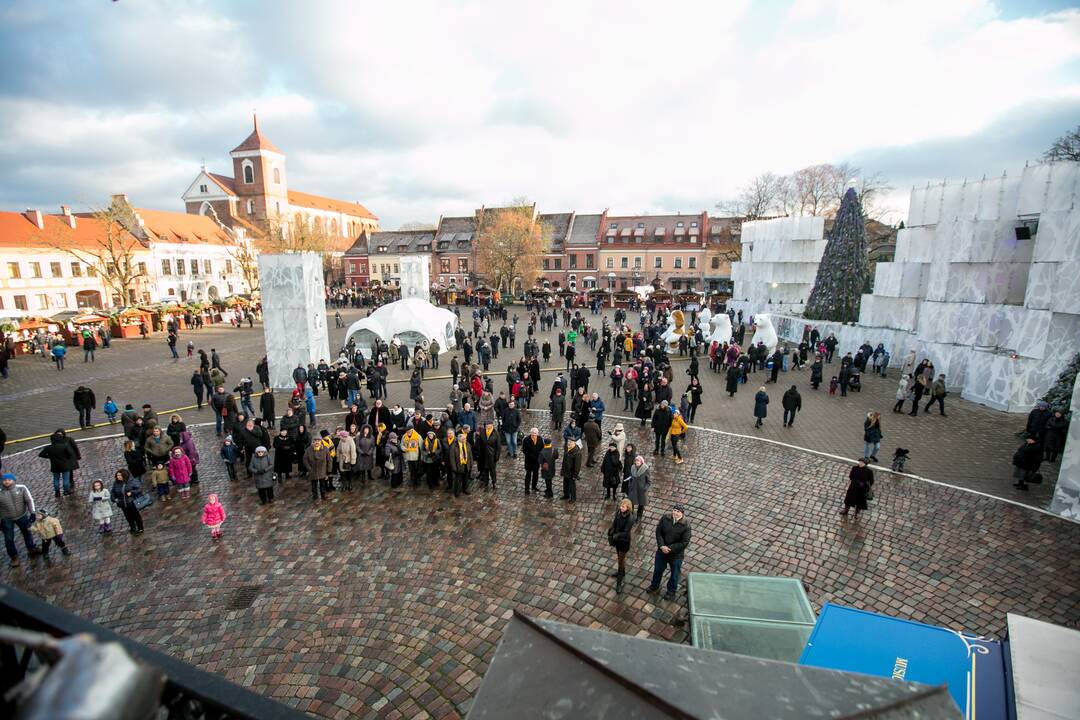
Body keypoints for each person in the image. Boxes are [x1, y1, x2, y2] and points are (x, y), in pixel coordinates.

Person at [647, 505, 691, 602]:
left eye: (678, 511)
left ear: (682, 513)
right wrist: (661, 545)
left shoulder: (686, 525)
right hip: (662, 551)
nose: (675, 513)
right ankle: (654, 586)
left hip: (676, 555)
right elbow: (658, 531)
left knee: (674, 574)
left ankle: (671, 591)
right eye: (674, 510)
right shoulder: (665, 518)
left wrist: (670, 548)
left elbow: (684, 542)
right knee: (658, 570)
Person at [1, 473, 40, 566]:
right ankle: (14, 557)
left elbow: (29, 500)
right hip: (6, 519)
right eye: (5, 480)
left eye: (9, 479)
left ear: (14, 480)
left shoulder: (21, 488)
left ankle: (31, 548)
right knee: (8, 538)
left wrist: (32, 513)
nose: (7, 481)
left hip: (22, 516)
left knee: (27, 532)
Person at [607, 499, 636, 593]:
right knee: (619, 556)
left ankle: (619, 581)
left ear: (628, 507)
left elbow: (626, 532)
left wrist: (616, 535)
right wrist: (612, 529)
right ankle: (622, 572)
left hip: (624, 542)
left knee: (621, 560)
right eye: (621, 506)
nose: (621, 508)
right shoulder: (619, 512)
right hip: (617, 541)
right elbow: (615, 521)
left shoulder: (630, 518)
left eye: (623, 506)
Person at [39, 430, 77, 497]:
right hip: (65, 465)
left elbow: (41, 454)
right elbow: (70, 454)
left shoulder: (48, 448)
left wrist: (49, 457)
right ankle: (66, 491)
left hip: (54, 466)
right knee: (66, 479)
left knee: (56, 479)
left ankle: (57, 492)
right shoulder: (64, 446)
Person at [111, 469, 144, 534]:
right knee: (128, 517)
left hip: (132, 502)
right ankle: (133, 527)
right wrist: (114, 499)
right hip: (122, 503)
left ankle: (140, 528)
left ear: (124, 475)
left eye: (120, 475)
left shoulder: (132, 481)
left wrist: (132, 492)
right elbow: (113, 492)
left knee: (136, 516)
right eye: (117, 475)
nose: (118, 477)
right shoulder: (116, 483)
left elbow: (139, 489)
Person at [626, 455, 650, 520]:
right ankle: (631, 515)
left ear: (641, 461)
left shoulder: (645, 469)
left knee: (641, 504)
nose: (637, 462)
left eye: (638, 460)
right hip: (633, 488)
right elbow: (630, 477)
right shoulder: (632, 467)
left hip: (641, 490)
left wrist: (644, 488)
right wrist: (630, 485)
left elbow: (648, 481)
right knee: (631, 502)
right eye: (636, 460)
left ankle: (639, 517)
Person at [522, 428, 543, 494]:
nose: (534, 435)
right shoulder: (526, 440)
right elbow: (525, 451)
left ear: (537, 434)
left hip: (537, 462)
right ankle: (526, 489)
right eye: (533, 433)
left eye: (535, 434)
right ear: (530, 433)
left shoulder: (540, 439)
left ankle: (534, 486)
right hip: (529, 461)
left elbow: (542, 447)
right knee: (528, 475)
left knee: (536, 475)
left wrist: (540, 456)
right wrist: (534, 457)